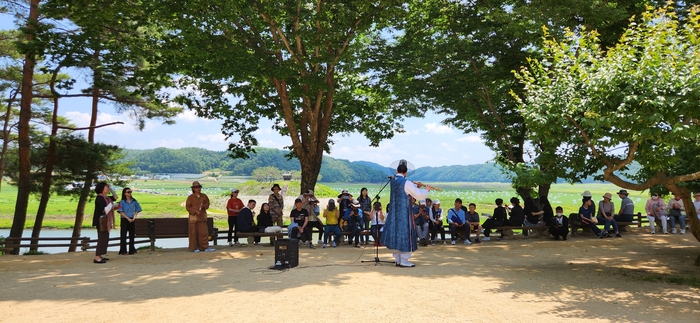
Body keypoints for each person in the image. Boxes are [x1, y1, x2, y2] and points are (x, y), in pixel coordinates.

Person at [380, 159, 432, 267]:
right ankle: (404, 260)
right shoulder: (407, 182)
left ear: (396, 170)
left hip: (394, 212)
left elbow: (407, 191)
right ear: (406, 172)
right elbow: (418, 195)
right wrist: (426, 190)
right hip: (404, 213)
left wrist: (414, 187)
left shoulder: (393, 181)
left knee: (396, 233)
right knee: (405, 233)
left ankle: (398, 259)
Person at [186, 181, 214, 253]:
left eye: (199, 187)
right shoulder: (190, 197)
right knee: (193, 233)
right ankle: (194, 247)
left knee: (203, 233)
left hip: (202, 217)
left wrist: (203, 206)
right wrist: (195, 211)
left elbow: (207, 204)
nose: (198, 189)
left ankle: (205, 247)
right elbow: (188, 207)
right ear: (193, 189)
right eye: (196, 187)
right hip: (193, 218)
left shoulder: (204, 196)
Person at [92, 182, 117, 263]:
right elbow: (104, 210)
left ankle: (100, 255)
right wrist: (113, 206)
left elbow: (115, 197)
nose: (107, 189)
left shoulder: (107, 198)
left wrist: (111, 189)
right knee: (101, 238)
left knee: (105, 238)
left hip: (106, 221)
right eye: (106, 187)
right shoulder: (100, 198)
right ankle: (97, 257)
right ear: (102, 189)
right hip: (101, 221)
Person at [118, 187, 142, 255]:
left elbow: (137, 209)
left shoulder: (134, 201)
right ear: (125, 193)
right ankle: (123, 250)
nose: (130, 193)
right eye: (128, 192)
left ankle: (132, 250)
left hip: (132, 219)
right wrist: (127, 218)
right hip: (124, 219)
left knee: (132, 235)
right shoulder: (122, 202)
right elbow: (120, 211)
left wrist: (134, 217)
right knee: (123, 235)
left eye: (130, 192)